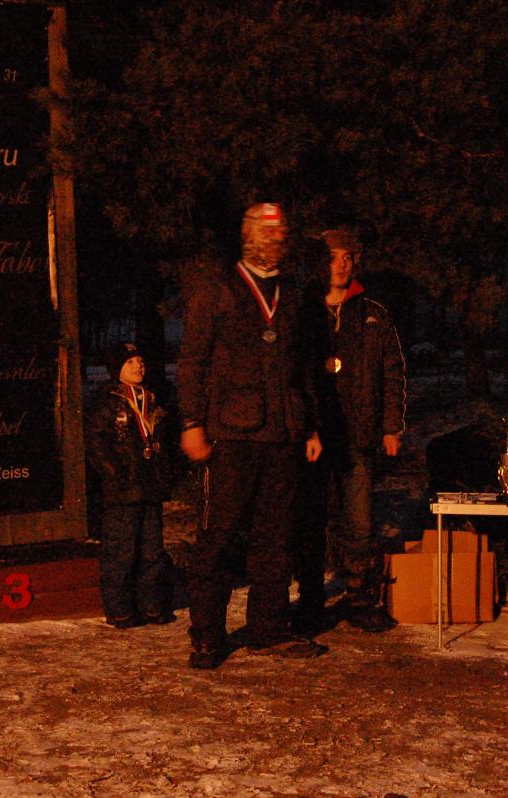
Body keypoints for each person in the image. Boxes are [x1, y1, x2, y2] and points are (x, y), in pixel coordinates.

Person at [178, 202, 326, 669]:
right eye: (269, 231)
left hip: (283, 434)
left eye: (282, 232)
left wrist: (309, 424)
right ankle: (206, 636)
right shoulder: (217, 288)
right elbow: (193, 361)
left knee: (276, 538)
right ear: (248, 235)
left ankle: (268, 628)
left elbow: (304, 366)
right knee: (219, 537)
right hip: (232, 433)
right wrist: (191, 422)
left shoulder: (293, 292)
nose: (278, 239)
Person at [294, 228, 406, 635]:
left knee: (359, 520)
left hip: (357, 433)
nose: (341, 265)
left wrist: (391, 426)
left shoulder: (372, 313)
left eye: (348, 257)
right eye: (333, 257)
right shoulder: (302, 311)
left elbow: (392, 371)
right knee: (312, 521)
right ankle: (310, 599)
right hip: (314, 435)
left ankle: (360, 597)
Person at [85, 342, 173, 628]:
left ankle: (152, 605)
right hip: (122, 491)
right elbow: (96, 444)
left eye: (140, 360)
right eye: (130, 362)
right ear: (116, 369)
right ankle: (119, 608)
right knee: (120, 551)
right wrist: (115, 475)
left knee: (152, 551)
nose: (138, 365)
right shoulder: (108, 401)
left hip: (150, 488)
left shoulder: (152, 399)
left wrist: (164, 475)